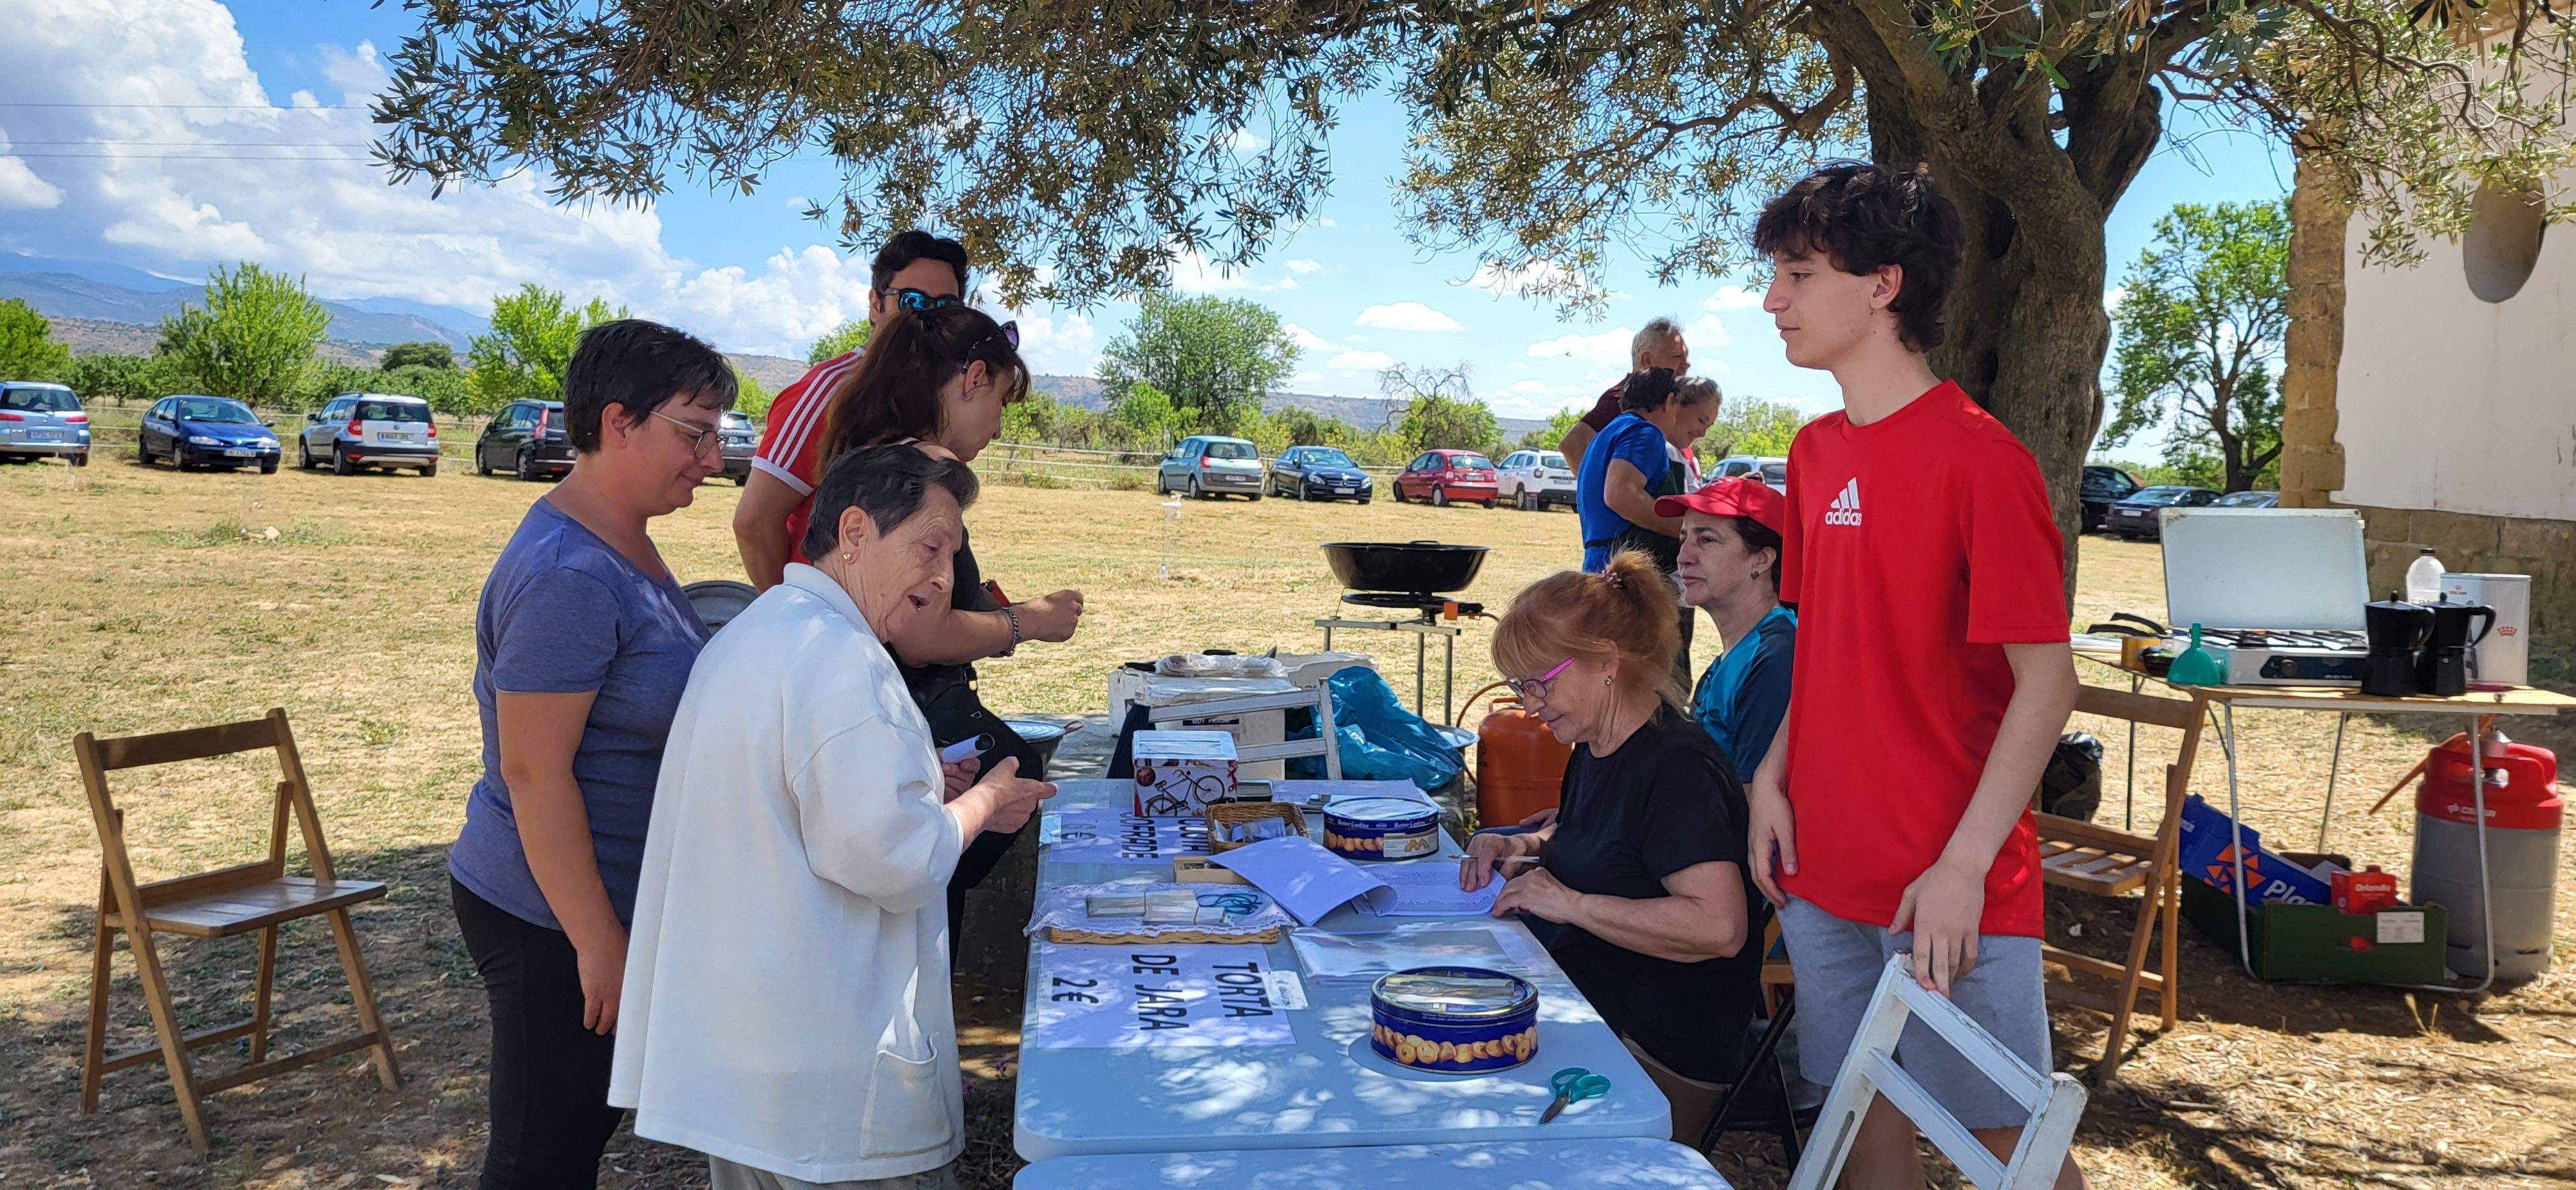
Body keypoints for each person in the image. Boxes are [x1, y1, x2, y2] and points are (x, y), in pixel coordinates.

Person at [1746, 161, 2085, 1190]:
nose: (1773, 300)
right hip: (1821, 868)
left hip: (1948, 885)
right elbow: (1830, 645)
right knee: (1860, 1132)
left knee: (2010, 1150)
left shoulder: (1983, 460)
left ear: (1884, 284)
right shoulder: (1810, 454)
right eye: (1775, 276)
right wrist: (1771, 773)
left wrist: (1963, 867)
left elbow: (2050, 683)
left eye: (1799, 273)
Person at [613, 444, 1056, 1190]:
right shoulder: (844, 661)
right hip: (824, 1080)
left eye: (953, 555)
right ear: (854, 532)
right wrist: (983, 804)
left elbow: (798, 801)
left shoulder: (765, 629)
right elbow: (894, 861)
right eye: (930, 547)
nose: (946, 577)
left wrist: (919, 785)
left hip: (748, 1060)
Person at [447, 319, 737, 1189]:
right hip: (549, 915)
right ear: (618, 422)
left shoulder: (625, 539)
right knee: (540, 1162)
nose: (712, 459)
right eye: (695, 431)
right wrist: (598, 938)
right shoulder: (569, 572)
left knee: (568, 1146)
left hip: (590, 906)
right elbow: (534, 772)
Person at [806, 303, 1084, 951]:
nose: (996, 425)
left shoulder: (868, 458)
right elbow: (922, 635)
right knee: (919, 905)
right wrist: (1027, 623)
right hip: (918, 721)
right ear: (973, 378)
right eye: (1001, 402)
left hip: (898, 728)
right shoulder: (920, 473)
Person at [1458, 552, 1762, 1142]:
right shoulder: (1598, 744)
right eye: (1520, 686)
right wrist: (1520, 843)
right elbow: (1590, 841)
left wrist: (1569, 903)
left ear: (1606, 662)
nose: (1528, 704)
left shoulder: (1677, 770)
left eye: (1539, 683)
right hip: (1590, 1000)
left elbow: (1719, 928)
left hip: (1656, 1045)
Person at [735, 229, 973, 589]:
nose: (927, 319)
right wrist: (792, 618)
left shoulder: (941, 397)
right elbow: (754, 523)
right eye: (912, 301)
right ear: (876, 305)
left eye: (946, 307)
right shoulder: (829, 392)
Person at [1573, 369, 1721, 688]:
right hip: (1631, 582)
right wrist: (1679, 529)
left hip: (1600, 572)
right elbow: (1620, 494)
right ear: (1670, 402)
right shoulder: (1646, 433)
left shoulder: (1607, 433)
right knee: (1653, 688)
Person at [1660, 476, 1796, 780]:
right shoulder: (1736, 655)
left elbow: (1750, 807)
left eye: (1706, 540)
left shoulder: (1776, 657)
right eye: (1684, 539)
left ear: (1761, 560)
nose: (1683, 558)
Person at [1555, 316, 1690, 468]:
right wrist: (1607, 488)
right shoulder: (1622, 399)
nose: (1687, 364)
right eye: (1677, 357)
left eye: (1687, 356)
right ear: (1647, 361)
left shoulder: (1663, 399)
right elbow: (1573, 445)